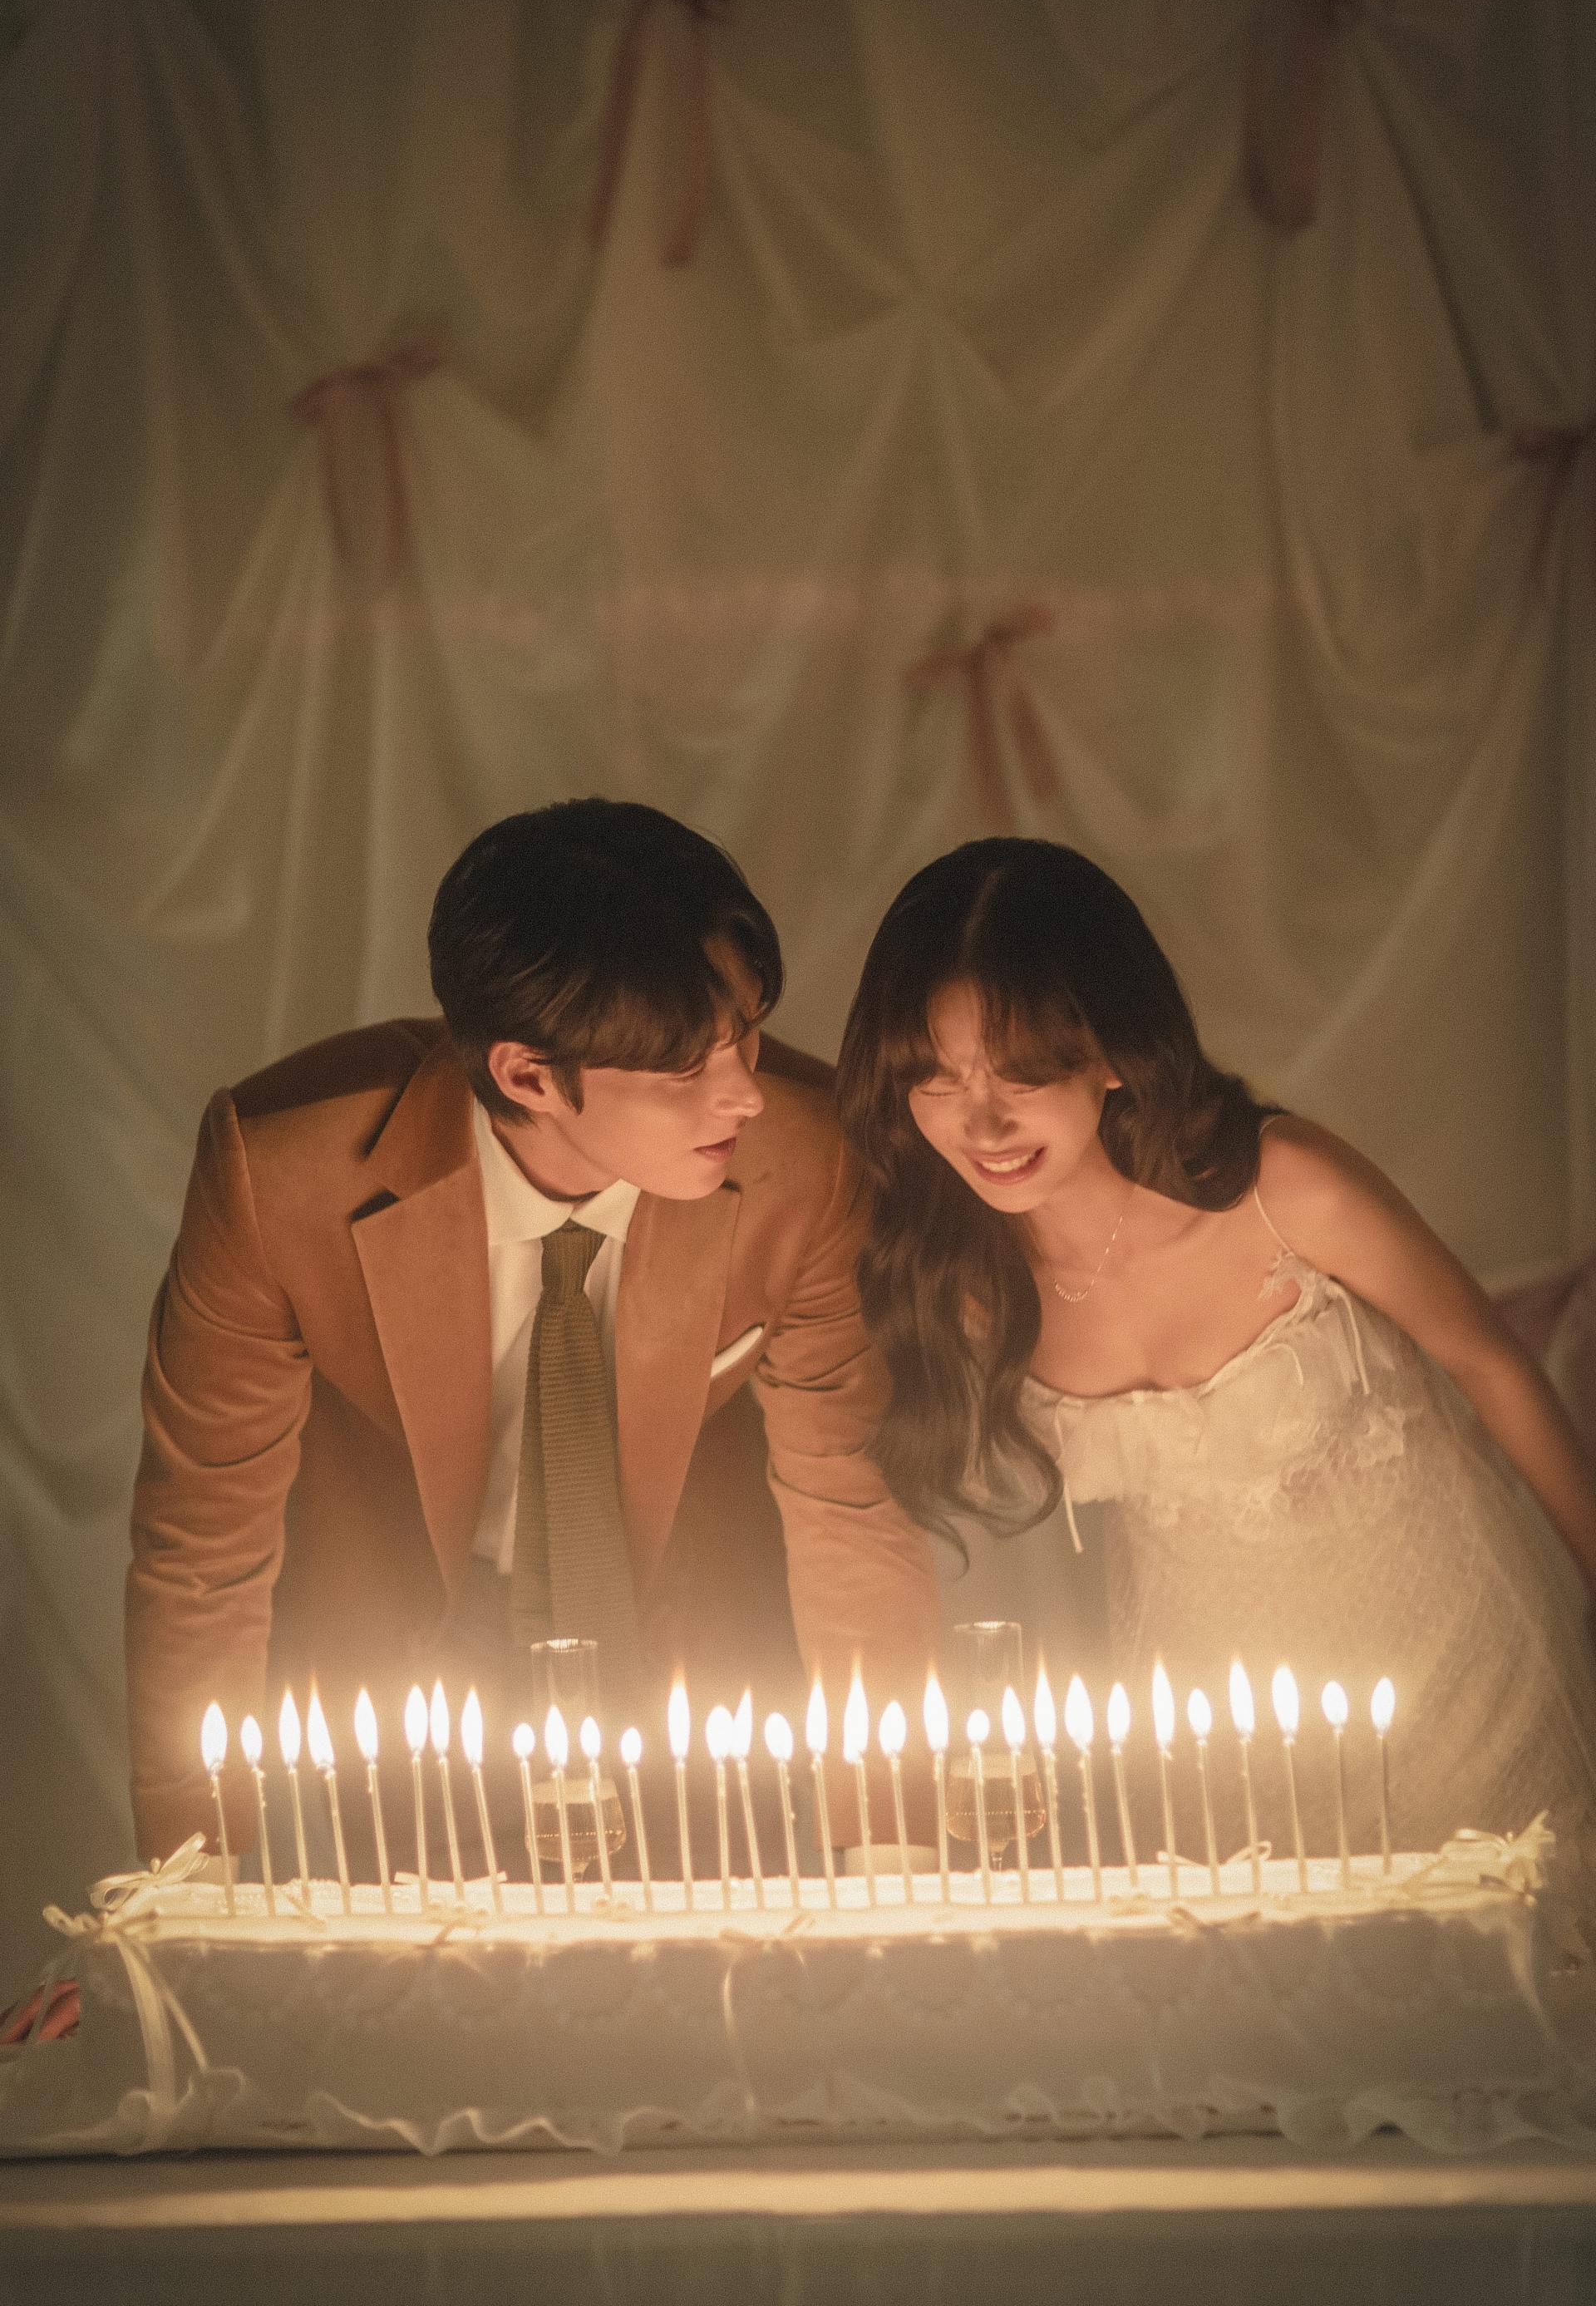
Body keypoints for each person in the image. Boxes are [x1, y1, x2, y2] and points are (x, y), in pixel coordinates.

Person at [127, 801, 938, 1865]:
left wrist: (889, 1854)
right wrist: (189, 1882)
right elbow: (204, 1546)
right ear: (527, 1075)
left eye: (744, 1030)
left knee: (708, 1958)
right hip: (415, 1654)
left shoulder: (809, 1156)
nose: (743, 1093)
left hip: (690, 1646)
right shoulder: (282, 1174)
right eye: (685, 1069)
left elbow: (853, 1512)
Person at [836, 837, 1596, 1891]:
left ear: (1111, 1052)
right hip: (1215, 1748)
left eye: (1024, 1071)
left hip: (1460, 1688)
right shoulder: (964, 1283)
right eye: (934, 1078)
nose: (984, 1122)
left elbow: (1493, 1366)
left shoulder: (1285, 1188)